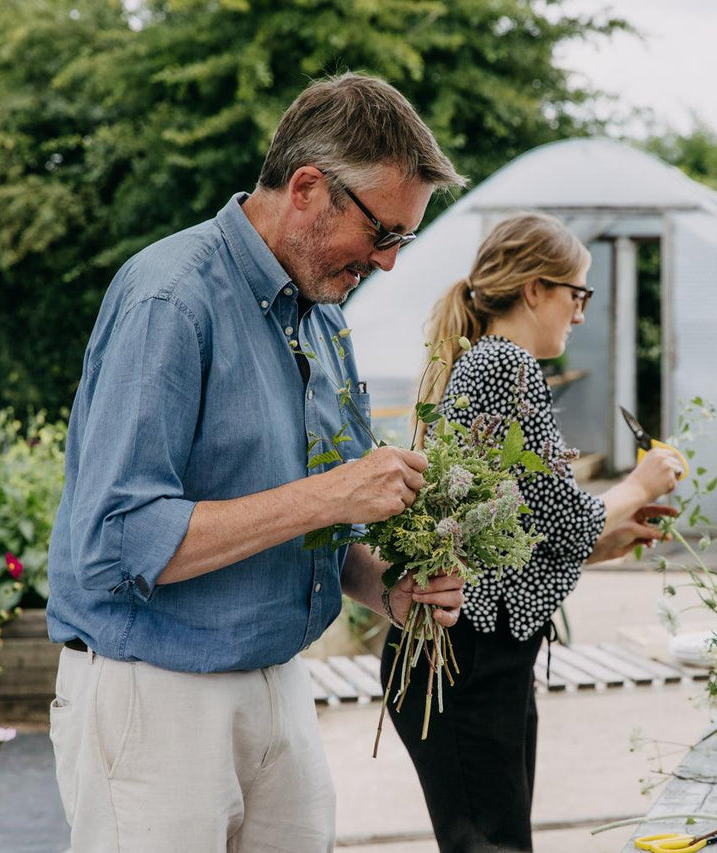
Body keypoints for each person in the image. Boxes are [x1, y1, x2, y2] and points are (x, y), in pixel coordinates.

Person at [45, 73, 469, 851]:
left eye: (402, 240)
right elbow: (121, 537)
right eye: (382, 232)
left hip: (279, 683)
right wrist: (332, 493)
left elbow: (316, 526)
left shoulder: (322, 315)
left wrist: (387, 586)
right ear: (307, 188)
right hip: (156, 695)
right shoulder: (170, 299)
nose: (387, 262)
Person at [381, 212, 685, 852]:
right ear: (535, 289)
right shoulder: (503, 364)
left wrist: (602, 543)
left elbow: (512, 532)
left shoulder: (493, 363)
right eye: (578, 294)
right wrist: (641, 483)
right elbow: (562, 516)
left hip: (479, 652)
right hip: (466, 655)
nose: (581, 313)